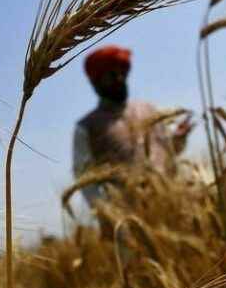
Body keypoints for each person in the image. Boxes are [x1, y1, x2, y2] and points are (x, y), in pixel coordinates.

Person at [72, 44, 193, 212]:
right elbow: (85, 180)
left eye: (123, 73)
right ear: (96, 83)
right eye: (112, 75)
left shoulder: (149, 110)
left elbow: (168, 152)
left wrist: (179, 138)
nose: (120, 79)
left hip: (169, 206)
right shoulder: (86, 127)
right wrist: (108, 216)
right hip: (127, 219)